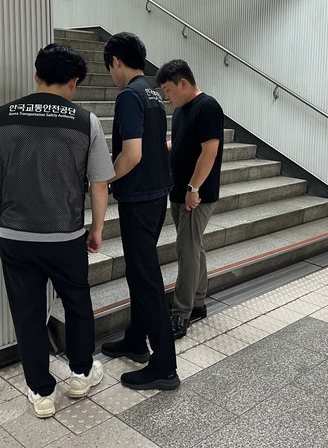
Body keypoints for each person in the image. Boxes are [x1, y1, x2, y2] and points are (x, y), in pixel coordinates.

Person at [0, 44, 114, 418]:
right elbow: (100, 183)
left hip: (15, 237)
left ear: (36, 75)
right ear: (74, 82)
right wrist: (97, 229)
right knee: (77, 304)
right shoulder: (85, 122)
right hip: (65, 236)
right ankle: (80, 375)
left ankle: (41, 392)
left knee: (27, 313)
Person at [100, 32, 180, 391]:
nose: (112, 74)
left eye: (110, 68)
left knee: (146, 279)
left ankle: (164, 366)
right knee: (139, 272)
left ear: (116, 61)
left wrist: (103, 178)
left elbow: (132, 154)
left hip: (139, 199)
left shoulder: (129, 96)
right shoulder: (151, 92)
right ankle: (135, 340)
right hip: (155, 195)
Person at [156, 60, 224, 339]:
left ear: (183, 83)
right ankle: (197, 301)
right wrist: (158, 148)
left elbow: (209, 151)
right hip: (179, 191)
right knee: (194, 247)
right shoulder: (181, 111)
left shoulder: (208, 107)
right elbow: (182, 142)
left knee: (186, 250)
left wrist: (194, 187)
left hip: (196, 195)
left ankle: (181, 313)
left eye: (168, 90)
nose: (166, 97)